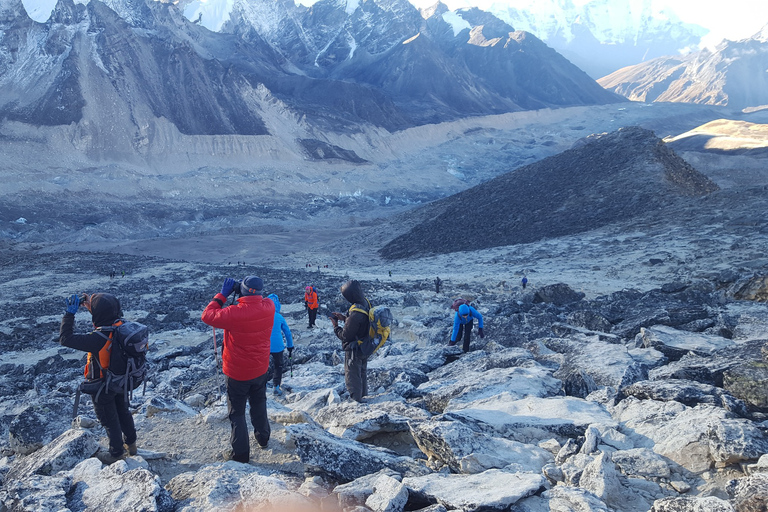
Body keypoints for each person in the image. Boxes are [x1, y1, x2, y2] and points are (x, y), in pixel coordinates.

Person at [201, 276, 274, 462]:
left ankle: (241, 455)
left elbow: (207, 315)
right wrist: (245, 292)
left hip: (237, 372)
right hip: (260, 368)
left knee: (237, 413)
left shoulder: (234, 313)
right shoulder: (269, 306)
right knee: (259, 404)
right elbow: (256, 299)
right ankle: (263, 438)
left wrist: (223, 294)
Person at [59, 293, 137, 464]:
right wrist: (92, 308)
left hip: (103, 386)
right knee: (123, 412)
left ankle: (116, 453)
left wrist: (69, 314)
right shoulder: (124, 327)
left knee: (109, 420)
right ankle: (131, 445)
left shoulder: (97, 339)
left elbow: (66, 338)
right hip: (123, 381)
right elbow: (106, 317)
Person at [330, 280, 370, 403]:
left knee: (352, 375)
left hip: (354, 349)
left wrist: (336, 326)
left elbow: (345, 336)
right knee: (362, 372)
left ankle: (356, 400)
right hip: (365, 344)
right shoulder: (365, 302)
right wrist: (345, 318)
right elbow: (360, 323)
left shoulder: (355, 314)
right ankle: (363, 395)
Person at [266, 294, 294, 396]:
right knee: (278, 366)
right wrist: (290, 346)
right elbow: (287, 332)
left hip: (264, 346)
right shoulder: (279, 317)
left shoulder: (262, 316)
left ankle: (262, 385)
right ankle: (276, 386)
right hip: (278, 346)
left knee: (264, 366)